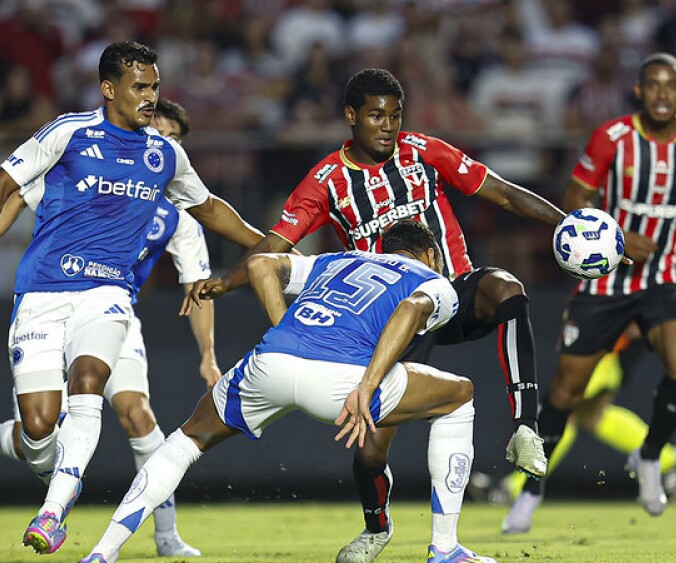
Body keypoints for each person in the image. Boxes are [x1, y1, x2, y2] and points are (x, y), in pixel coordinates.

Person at [183, 68, 565, 562]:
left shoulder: (424, 151)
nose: (387, 126)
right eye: (376, 115)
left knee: (507, 289)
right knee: (370, 448)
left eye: (395, 116)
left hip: (451, 290)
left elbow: (504, 191)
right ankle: (376, 527)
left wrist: (566, 220)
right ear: (351, 116)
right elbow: (276, 247)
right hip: (391, 319)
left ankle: (525, 428)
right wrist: (226, 280)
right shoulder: (328, 180)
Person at [0, 41, 264, 555]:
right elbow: (6, 184)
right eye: (140, 87)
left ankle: (53, 513)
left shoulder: (165, 156)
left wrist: (274, 243)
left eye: (155, 86)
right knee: (40, 432)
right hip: (42, 293)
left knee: (95, 388)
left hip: (107, 295)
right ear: (109, 89)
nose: (150, 97)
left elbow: (212, 208)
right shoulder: (70, 133)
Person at [79, 220, 541, 563]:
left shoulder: (338, 259)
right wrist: (369, 383)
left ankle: (102, 552)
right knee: (459, 394)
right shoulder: (435, 281)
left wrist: (287, 333)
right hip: (343, 383)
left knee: (185, 441)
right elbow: (410, 309)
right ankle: (445, 549)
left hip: (272, 361)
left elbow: (261, 265)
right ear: (431, 255)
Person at [516, 52, 676, 524]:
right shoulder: (613, 139)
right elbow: (575, 197)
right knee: (566, 393)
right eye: (653, 85)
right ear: (638, 91)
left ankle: (651, 455)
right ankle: (531, 490)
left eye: (671, 86)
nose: (662, 93)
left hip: (662, 281)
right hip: (606, 284)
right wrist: (617, 233)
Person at [473, 207, 676, 533]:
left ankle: (514, 488)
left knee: (568, 407)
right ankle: (671, 459)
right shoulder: (615, 203)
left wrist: (664, 315)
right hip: (605, 312)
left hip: (632, 323)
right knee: (590, 413)